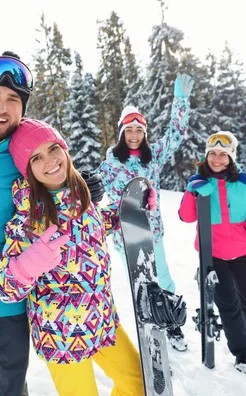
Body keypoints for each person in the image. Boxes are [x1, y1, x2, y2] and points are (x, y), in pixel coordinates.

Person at [0, 118, 144, 396]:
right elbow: (3, 287)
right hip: (61, 337)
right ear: (28, 170)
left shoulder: (81, 195)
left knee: (138, 383)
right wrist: (27, 265)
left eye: (53, 149)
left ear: (64, 149)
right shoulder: (27, 217)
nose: (49, 161)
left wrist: (129, 211)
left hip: (101, 321)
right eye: (36, 157)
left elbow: (95, 228)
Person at [96, 73, 195, 351]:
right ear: (121, 134)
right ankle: (149, 325)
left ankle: (172, 323)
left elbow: (176, 134)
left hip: (153, 232)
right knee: (141, 284)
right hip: (125, 236)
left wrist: (181, 101)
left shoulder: (154, 156)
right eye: (129, 131)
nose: (135, 135)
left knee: (162, 277)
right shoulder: (112, 162)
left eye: (139, 131)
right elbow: (92, 184)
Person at [178, 131, 246, 374]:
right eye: (212, 154)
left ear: (231, 157)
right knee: (228, 306)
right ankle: (242, 352)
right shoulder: (199, 183)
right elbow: (186, 217)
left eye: (223, 154)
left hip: (242, 252)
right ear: (206, 156)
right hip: (212, 254)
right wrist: (191, 191)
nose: (217, 159)